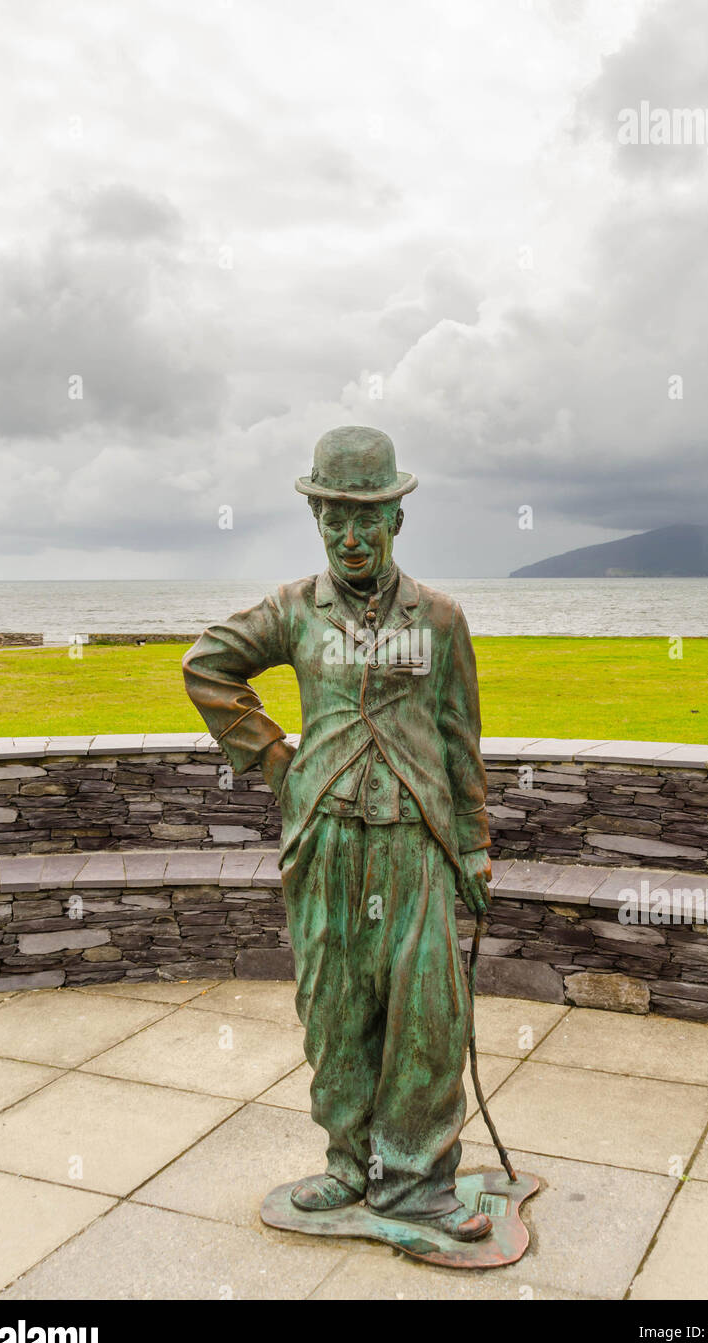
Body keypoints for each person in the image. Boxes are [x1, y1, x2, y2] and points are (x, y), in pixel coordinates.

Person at [183, 425, 493, 1241]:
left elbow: (460, 742)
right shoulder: (292, 609)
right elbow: (206, 665)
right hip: (325, 842)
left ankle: (417, 1181)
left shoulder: (441, 619)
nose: (350, 538)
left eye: (366, 519)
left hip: (414, 842)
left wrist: (473, 845)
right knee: (334, 1011)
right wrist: (275, 756)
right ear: (317, 519)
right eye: (334, 521)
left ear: (397, 519)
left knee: (426, 1018)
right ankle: (349, 1166)